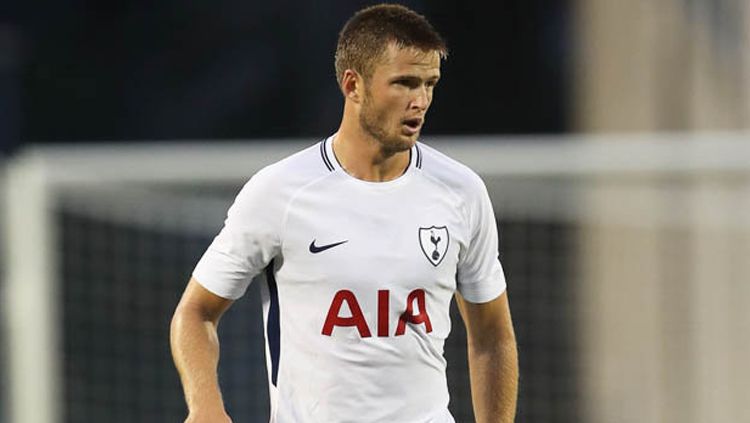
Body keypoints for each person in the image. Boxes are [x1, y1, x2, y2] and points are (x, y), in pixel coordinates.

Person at [170, 4, 518, 422]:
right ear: (353, 85)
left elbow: (492, 335)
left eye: (430, 83)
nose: (420, 101)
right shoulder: (280, 192)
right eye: (404, 83)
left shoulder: (462, 192)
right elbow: (195, 312)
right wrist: (206, 405)